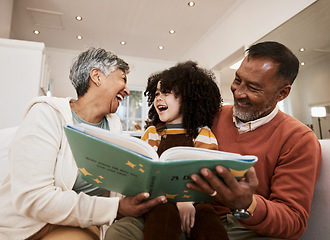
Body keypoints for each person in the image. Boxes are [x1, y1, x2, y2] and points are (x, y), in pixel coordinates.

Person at [0, 47, 166, 240]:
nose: (127, 90)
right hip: (31, 226)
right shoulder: (46, 114)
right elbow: (34, 198)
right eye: (122, 79)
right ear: (97, 76)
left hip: (81, 224)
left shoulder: (113, 125)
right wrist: (116, 208)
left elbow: (117, 183)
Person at [186, 41, 322, 239]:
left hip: (247, 227)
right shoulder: (211, 115)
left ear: (282, 93)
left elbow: (293, 221)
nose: (238, 93)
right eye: (237, 80)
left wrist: (247, 204)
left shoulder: (298, 139)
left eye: (253, 88)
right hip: (194, 216)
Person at [105, 61, 228, 240]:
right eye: (156, 93)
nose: (158, 98)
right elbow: (145, 172)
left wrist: (187, 201)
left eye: (166, 92)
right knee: (162, 215)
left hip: (195, 201)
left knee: (210, 224)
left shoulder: (203, 133)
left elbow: (208, 174)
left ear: (188, 98)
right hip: (159, 200)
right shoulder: (153, 133)